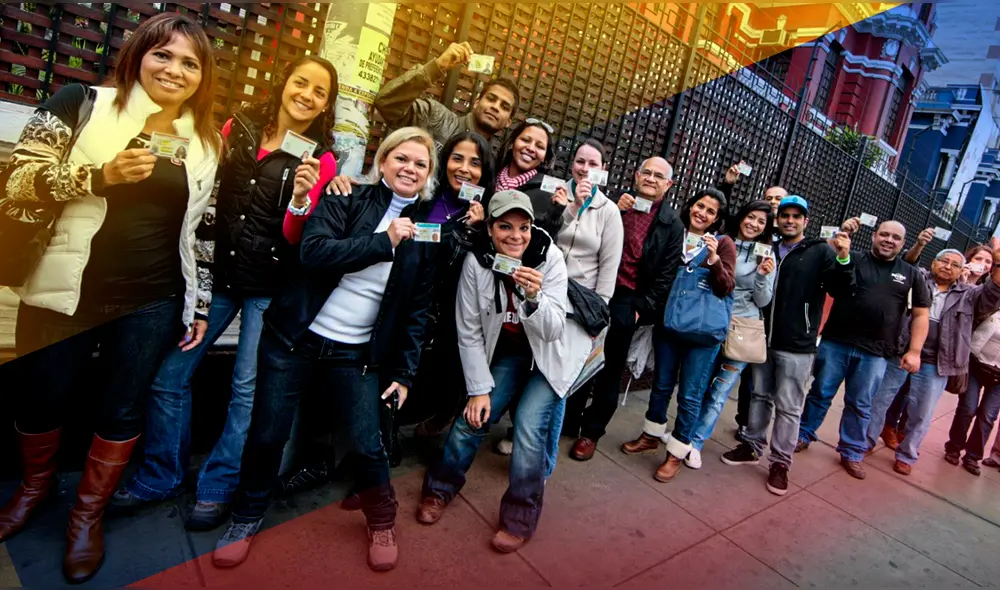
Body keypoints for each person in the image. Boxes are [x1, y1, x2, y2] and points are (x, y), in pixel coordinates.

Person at [0, 13, 220, 583]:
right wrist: (98, 176)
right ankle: (31, 491)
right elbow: (18, 184)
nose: (174, 70)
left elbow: (200, 231)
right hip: (61, 288)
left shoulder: (204, 140)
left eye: (189, 62)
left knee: (122, 408)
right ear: (138, 54)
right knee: (39, 398)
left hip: (150, 299)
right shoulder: (78, 103)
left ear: (203, 75)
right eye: (162, 55)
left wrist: (198, 303)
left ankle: (86, 515)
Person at [111, 56, 339, 529]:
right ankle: (162, 473)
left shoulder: (322, 158)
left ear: (325, 105)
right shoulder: (240, 127)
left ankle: (218, 483)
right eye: (301, 82)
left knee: (245, 390)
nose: (307, 95)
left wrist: (301, 198)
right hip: (215, 277)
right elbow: (203, 183)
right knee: (169, 376)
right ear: (284, 83)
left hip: (268, 288)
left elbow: (300, 238)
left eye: (320, 92)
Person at [211, 127, 439, 572]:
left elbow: (418, 311)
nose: (409, 168)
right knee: (267, 433)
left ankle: (381, 519)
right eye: (402, 158)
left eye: (420, 164)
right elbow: (313, 252)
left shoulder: (426, 234)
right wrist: (384, 241)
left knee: (367, 441)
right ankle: (245, 517)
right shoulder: (345, 195)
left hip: (356, 353)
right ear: (384, 161)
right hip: (295, 337)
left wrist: (405, 373)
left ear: (428, 176)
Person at [416, 189, 592, 553]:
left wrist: (533, 297)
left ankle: (520, 516)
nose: (515, 236)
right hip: (510, 351)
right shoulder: (477, 263)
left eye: (524, 227)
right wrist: (479, 389)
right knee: (472, 417)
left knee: (529, 426)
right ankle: (439, 489)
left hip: (551, 352)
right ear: (491, 229)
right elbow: (469, 330)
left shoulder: (549, 258)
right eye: (505, 227)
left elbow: (553, 329)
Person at [721, 196, 854, 497]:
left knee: (789, 406)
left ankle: (780, 462)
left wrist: (844, 259)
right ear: (777, 219)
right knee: (759, 395)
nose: (790, 220)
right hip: (763, 337)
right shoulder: (766, 247)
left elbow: (840, 288)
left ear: (806, 221)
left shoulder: (820, 251)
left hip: (797, 343)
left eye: (797, 216)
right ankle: (752, 445)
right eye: (785, 215)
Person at [508, 138, 624, 474]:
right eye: (580, 162)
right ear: (571, 164)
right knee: (531, 368)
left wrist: (597, 318)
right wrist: (569, 208)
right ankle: (522, 435)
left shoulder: (609, 211)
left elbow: (609, 268)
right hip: (543, 293)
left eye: (593, 164)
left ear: (603, 170)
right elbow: (541, 239)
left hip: (580, 310)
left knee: (558, 382)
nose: (585, 169)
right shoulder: (555, 195)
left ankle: (542, 462)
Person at [567, 157, 686, 461]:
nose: (651, 178)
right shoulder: (616, 204)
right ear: (636, 175)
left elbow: (666, 276)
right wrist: (618, 211)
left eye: (659, 176)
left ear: (668, 185)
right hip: (594, 291)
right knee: (579, 357)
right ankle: (568, 421)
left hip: (627, 302)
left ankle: (591, 432)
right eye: (646, 172)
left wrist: (639, 310)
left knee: (609, 368)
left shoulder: (672, 224)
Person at [795, 219, 930, 481]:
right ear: (874, 236)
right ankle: (803, 434)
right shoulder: (853, 258)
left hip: (876, 352)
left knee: (860, 403)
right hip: (837, 342)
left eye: (895, 238)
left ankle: (852, 451)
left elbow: (921, 314)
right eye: (884, 235)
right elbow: (829, 271)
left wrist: (914, 351)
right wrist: (841, 236)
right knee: (820, 393)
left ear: (903, 243)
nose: (889, 240)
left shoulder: (911, 274)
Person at [619, 188, 736, 482]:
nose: (702, 213)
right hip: (669, 325)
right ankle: (650, 435)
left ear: (717, 219)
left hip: (703, 334)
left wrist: (713, 260)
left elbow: (726, 287)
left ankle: (677, 452)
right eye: (700, 206)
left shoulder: (723, 244)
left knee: (691, 395)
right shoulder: (676, 233)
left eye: (711, 211)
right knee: (660, 385)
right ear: (690, 206)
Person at [868, 243, 1000, 475]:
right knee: (880, 400)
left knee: (922, 412)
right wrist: (919, 245)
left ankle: (907, 455)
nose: (948, 267)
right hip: (901, 351)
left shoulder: (968, 295)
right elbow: (906, 263)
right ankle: (865, 441)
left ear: (962, 271)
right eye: (944, 261)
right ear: (933, 263)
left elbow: (992, 294)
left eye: (955, 265)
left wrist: (998, 265)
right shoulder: (918, 280)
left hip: (937, 362)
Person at [686, 200, 775, 468]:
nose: (754, 224)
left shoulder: (767, 254)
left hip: (742, 329)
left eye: (761, 222)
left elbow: (763, 301)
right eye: (751, 217)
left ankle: (696, 442)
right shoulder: (722, 241)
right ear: (741, 217)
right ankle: (683, 432)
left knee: (719, 391)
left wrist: (761, 276)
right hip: (712, 321)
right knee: (697, 384)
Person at [374, 41, 519, 150]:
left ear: (508, 122)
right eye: (491, 99)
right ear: (476, 102)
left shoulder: (492, 160)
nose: (495, 107)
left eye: (504, 106)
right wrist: (438, 66)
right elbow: (387, 104)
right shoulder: (436, 117)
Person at [491, 118, 566, 237]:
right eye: (525, 140)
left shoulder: (546, 194)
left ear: (545, 157)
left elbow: (544, 242)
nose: (531, 148)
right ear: (512, 143)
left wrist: (555, 215)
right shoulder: (490, 176)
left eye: (540, 147)